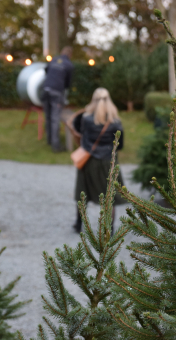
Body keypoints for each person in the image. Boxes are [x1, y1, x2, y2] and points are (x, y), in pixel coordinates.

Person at [73, 87, 126, 233]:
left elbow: (83, 139)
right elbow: (120, 145)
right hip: (108, 162)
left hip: (89, 161)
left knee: (83, 193)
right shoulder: (115, 122)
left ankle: (78, 224)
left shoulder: (86, 119)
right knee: (110, 197)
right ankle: (110, 229)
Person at [42, 46, 74, 152]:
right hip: (56, 92)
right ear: (70, 55)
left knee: (48, 116)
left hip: (46, 89)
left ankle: (49, 140)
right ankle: (56, 146)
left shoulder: (54, 59)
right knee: (55, 118)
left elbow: (46, 70)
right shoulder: (69, 65)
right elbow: (68, 83)